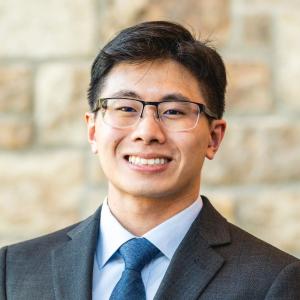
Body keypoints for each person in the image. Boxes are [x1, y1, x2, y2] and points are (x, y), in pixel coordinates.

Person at [0, 21, 299, 300]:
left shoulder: (274, 281)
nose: (147, 132)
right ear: (93, 130)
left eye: (173, 111)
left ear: (214, 138)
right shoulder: (13, 271)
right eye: (126, 108)